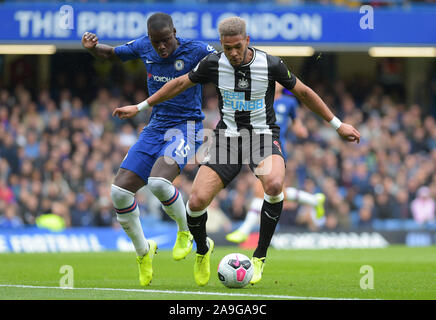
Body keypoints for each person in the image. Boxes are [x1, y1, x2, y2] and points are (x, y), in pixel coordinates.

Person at [113, 16, 361, 286]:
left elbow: (303, 93)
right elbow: (180, 84)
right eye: (227, 47)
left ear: (247, 41)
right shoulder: (212, 64)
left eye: (237, 47)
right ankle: (202, 250)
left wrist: (337, 124)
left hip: (261, 137)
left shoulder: (270, 64)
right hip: (227, 140)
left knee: (275, 184)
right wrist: (140, 107)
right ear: (221, 43)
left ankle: (259, 257)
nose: (232, 53)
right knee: (195, 203)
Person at [82, 12, 216, 286]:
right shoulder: (144, 45)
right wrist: (94, 48)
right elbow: (111, 54)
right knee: (118, 193)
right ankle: (144, 251)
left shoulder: (198, 50)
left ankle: (185, 232)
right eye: (157, 43)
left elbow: (225, 62)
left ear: (174, 32)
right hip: (156, 127)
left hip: (187, 126)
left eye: (166, 41)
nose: (161, 47)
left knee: (157, 181)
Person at [225, 82, 326, 244]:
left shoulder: (289, 102)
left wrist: (301, 130)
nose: (275, 83)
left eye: (278, 80)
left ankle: (244, 229)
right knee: (276, 191)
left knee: (261, 190)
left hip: (277, 148)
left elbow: (297, 123)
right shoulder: (259, 99)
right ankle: (314, 201)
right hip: (257, 146)